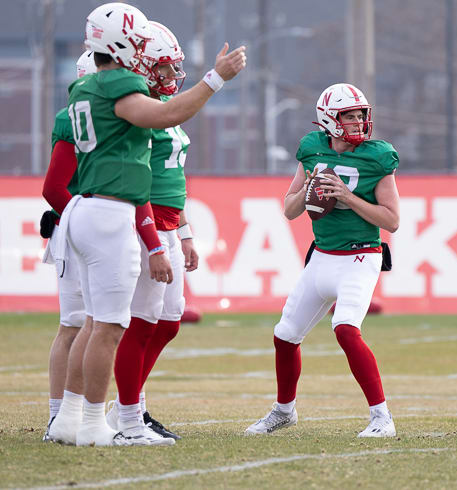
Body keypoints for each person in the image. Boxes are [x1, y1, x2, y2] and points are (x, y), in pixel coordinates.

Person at [48, 1, 246, 447]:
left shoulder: (87, 89)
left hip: (99, 209)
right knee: (109, 326)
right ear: (117, 44)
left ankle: (71, 417)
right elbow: (165, 115)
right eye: (138, 42)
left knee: (98, 321)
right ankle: (106, 421)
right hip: (116, 212)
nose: (143, 52)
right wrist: (216, 79)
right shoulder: (117, 84)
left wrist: (182, 232)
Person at [245, 83, 400, 437]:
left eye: (361, 114)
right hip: (322, 256)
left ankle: (382, 418)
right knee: (284, 335)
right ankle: (284, 411)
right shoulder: (312, 149)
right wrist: (309, 187)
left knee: (345, 328)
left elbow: (391, 220)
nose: (358, 121)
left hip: (361, 255)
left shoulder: (378, 156)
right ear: (329, 120)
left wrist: (348, 197)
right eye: (349, 115)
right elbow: (289, 209)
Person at [106, 21, 199, 442]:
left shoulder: (163, 112)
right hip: (145, 226)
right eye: (163, 69)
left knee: (168, 322)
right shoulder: (139, 112)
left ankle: (130, 404)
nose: (171, 78)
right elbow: (140, 184)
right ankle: (128, 414)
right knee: (142, 322)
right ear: (142, 68)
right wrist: (155, 242)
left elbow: (173, 178)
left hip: (168, 224)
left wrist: (186, 231)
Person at [40, 50, 97, 442]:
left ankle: (99, 413)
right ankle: (58, 416)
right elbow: (54, 187)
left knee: (104, 323)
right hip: (80, 231)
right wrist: (83, 219)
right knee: (73, 324)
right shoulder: (73, 118)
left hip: (102, 228)